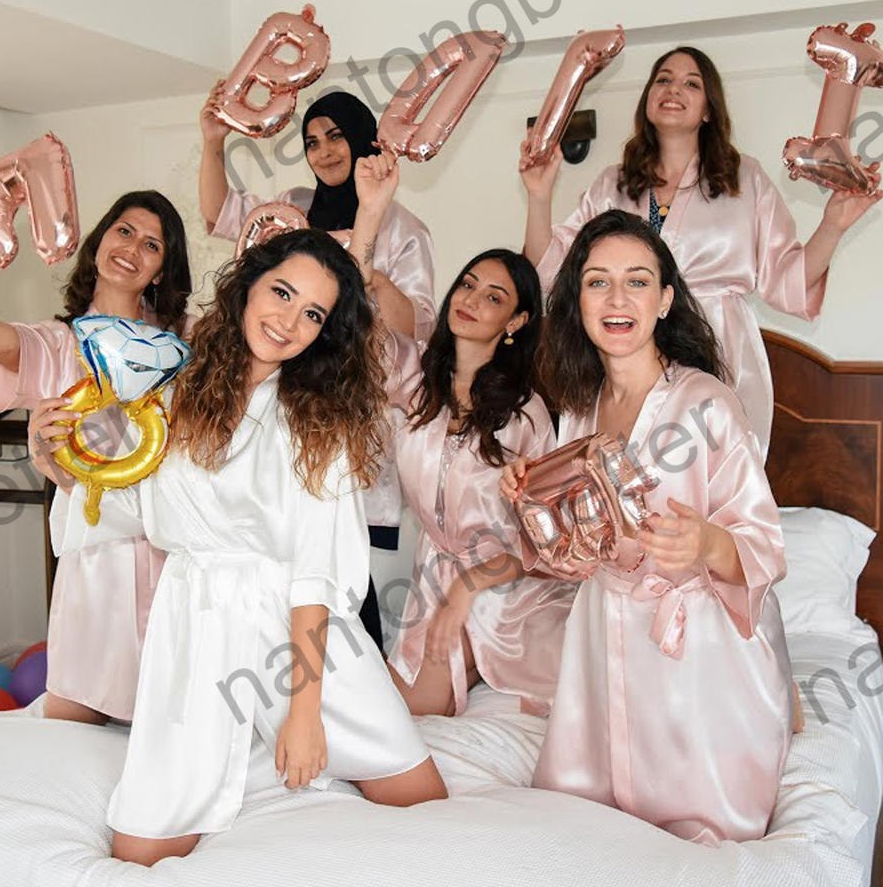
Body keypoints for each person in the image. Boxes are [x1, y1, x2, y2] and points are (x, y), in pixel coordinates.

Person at [36, 228, 447, 866]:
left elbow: (316, 572)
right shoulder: (171, 390)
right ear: (248, 287)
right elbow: (122, 501)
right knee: (141, 844)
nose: (289, 321)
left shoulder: (318, 422)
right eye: (281, 293)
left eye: (313, 314)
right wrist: (53, 457)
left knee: (424, 803)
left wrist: (304, 713)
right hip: (192, 621)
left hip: (299, 635)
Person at [503, 209, 792, 844]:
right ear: (577, 301)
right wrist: (534, 495)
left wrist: (707, 543)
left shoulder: (707, 404)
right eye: (597, 282)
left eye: (637, 281)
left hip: (697, 651)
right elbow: (570, 552)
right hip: (601, 634)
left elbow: (766, 545)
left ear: (664, 300)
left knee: (701, 833)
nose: (617, 299)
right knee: (580, 824)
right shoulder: (579, 409)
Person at [521, 46, 881, 456]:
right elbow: (552, 271)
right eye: (663, 79)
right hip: (622, 348)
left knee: (706, 474)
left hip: (719, 346)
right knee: (614, 471)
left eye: (691, 84)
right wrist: (539, 196)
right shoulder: (613, 184)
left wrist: (833, 225)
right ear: (647, 101)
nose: (673, 89)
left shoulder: (744, 179)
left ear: (709, 109)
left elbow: (788, 281)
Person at [200, 86, 437, 649]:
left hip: (345, 409)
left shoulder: (404, 227)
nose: (325, 151)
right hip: (274, 405)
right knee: (282, 555)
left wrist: (361, 262)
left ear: (363, 140)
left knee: (342, 571)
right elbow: (221, 214)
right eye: (312, 142)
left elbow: (418, 326)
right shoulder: (292, 207)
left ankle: (354, 681)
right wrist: (212, 142)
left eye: (335, 137)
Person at [0, 189, 191, 724]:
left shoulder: (181, 346)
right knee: (78, 714)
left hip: (177, 550)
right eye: (125, 231)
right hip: (97, 553)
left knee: (173, 715)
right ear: (100, 240)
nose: (133, 249)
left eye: (152, 245)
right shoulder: (59, 343)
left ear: (161, 271)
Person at [347, 151, 575, 717]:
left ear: (516, 322)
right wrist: (370, 214)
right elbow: (346, 316)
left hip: (508, 591)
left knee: (411, 708)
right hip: (435, 585)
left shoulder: (526, 416)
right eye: (467, 285)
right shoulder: (413, 378)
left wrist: (468, 588)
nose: (470, 300)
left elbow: (544, 539)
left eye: (494, 297)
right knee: (379, 703)